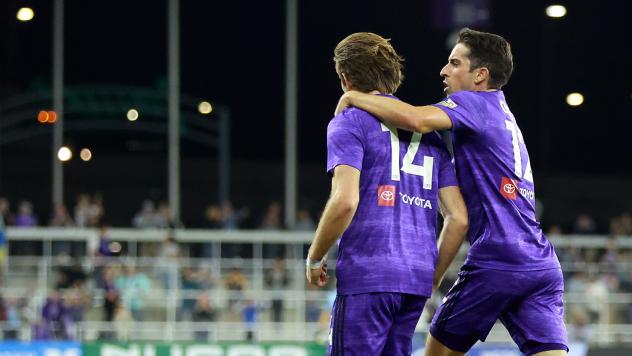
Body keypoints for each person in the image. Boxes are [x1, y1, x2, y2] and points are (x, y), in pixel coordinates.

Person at [334, 28, 567, 356]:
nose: (444, 71)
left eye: (455, 63)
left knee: (437, 352)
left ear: (480, 76)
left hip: (495, 259)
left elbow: (416, 120)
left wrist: (354, 98)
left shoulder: (475, 103)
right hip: (541, 264)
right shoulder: (505, 116)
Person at [306, 32, 468, 356]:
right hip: (415, 281)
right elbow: (459, 218)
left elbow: (345, 201)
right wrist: (428, 278)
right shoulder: (432, 135)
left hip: (369, 273)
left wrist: (315, 257)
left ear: (344, 78)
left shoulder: (349, 121)